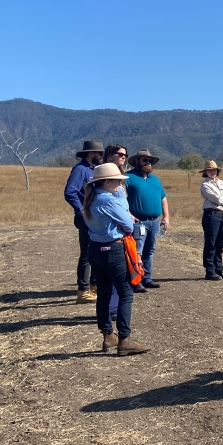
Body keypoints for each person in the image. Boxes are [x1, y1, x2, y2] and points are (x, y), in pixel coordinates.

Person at [82, 163, 149, 356]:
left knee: (103, 294)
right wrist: (121, 199)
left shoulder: (93, 198)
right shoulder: (108, 200)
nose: (121, 183)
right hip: (114, 250)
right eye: (118, 180)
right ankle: (125, 339)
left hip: (95, 249)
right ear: (107, 181)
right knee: (125, 293)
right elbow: (128, 224)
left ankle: (108, 335)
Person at [64, 140, 104, 304]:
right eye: (99, 153)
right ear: (91, 153)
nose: (101, 156)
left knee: (94, 253)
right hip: (86, 218)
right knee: (87, 255)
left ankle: (93, 288)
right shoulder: (81, 170)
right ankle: (83, 291)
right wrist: (81, 210)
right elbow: (70, 192)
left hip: (93, 218)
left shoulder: (91, 170)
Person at [125, 149, 169, 290]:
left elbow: (163, 198)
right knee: (137, 251)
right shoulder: (128, 178)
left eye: (150, 161)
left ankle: (146, 278)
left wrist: (166, 216)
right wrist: (128, 214)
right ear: (137, 161)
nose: (148, 163)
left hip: (154, 221)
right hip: (138, 222)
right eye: (145, 160)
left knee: (149, 251)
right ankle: (135, 280)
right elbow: (120, 198)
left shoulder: (155, 180)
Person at [101, 144, 131, 313]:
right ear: (109, 154)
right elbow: (111, 204)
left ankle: (113, 306)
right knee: (116, 273)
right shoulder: (104, 174)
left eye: (125, 155)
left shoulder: (120, 174)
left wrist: (128, 215)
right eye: (119, 154)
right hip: (114, 230)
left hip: (122, 226)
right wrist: (124, 220)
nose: (123, 157)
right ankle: (113, 308)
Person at [199, 160, 223, 281]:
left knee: (220, 243)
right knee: (211, 243)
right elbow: (215, 199)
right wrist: (222, 199)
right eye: (209, 170)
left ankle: (219, 269)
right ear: (205, 172)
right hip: (211, 214)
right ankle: (210, 271)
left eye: (214, 170)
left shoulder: (222, 183)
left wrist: (222, 199)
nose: (212, 172)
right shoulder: (205, 185)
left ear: (217, 171)